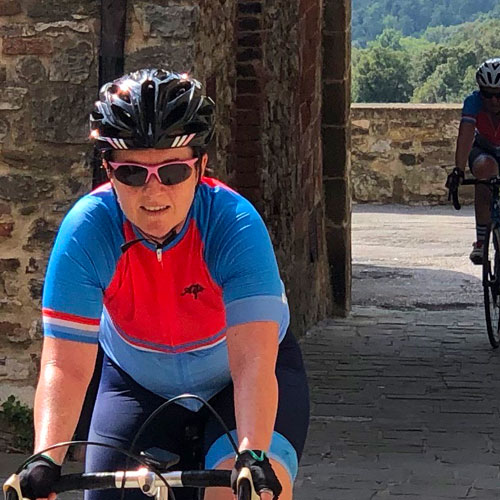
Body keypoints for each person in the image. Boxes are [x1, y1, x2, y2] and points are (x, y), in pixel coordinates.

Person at [19, 68, 310, 500]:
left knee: (244, 493)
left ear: (202, 167)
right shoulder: (87, 230)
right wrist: (46, 457)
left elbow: (252, 363)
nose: (154, 193)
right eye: (133, 174)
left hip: (238, 380)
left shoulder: (234, 226)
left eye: (172, 172)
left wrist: (252, 453)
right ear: (108, 170)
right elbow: (65, 365)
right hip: (136, 383)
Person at [447, 58, 500, 264]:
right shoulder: (473, 103)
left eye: (499, 95)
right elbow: (466, 136)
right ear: (480, 91)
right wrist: (458, 170)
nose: (494, 101)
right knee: (484, 173)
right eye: (488, 94)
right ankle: (481, 242)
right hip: (483, 149)